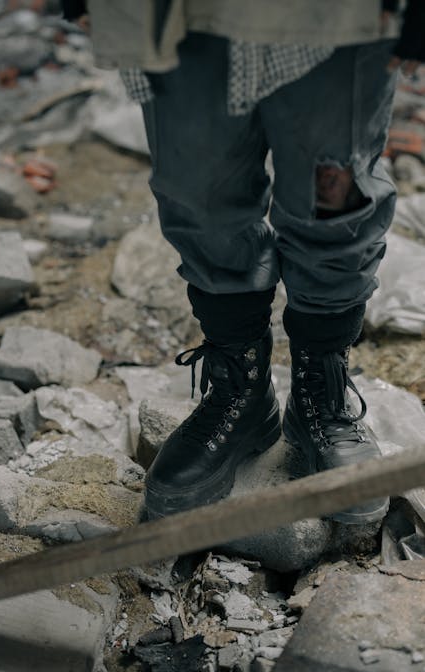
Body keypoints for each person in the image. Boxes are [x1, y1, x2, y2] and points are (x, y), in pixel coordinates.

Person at [62, 1, 425, 525]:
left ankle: (319, 391)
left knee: (336, 202)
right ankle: (242, 394)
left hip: (341, 15)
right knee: (198, 198)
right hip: (175, 13)